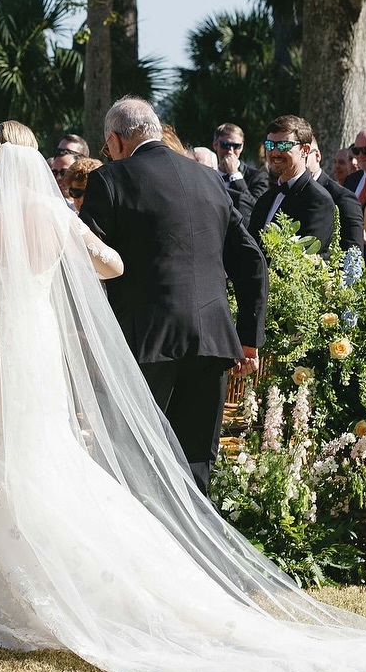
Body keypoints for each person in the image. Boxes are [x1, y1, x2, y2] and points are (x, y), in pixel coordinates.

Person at [0, 118, 366, 672]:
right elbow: (122, 263)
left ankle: (16, 596)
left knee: (17, 461)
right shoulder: (153, 193)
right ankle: (170, 573)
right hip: (150, 342)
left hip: (28, 350)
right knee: (99, 462)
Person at [79, 97, 267, 488]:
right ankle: (190, 548)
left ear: (115, 140)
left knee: (132, 456)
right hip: (213, 338)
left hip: (144, 339)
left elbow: (86, 258)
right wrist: (248, 338)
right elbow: (251, 261)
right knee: (196, 461)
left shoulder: (110, 179)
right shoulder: (210, 179)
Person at [245, 116, 337, 251]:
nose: (275, 152)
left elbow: (307, 258)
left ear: (305, 150)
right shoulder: (265, 199)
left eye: (284, 145)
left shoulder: (318, 200)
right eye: (270, 145)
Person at [307, 140, 365, 255]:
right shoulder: (280, 194)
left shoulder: (342, 198)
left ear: (317, 156)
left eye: (305, 154)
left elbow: (354, 253)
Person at [211, 123, 259, 216]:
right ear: (215, 145)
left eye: (236, 146)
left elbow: (255, 208)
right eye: (225, 145)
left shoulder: (257, 177)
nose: (230, 151)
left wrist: (234, 174)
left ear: (242, 147)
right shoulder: (209, 175)